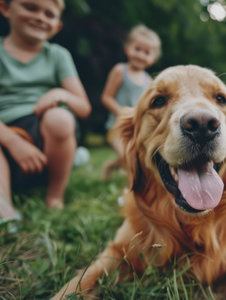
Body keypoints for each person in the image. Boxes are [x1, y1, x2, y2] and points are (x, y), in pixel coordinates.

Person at [0, 0, 91, 223]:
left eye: (49, 14)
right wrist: (13, 141)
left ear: (57, 26)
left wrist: (61, 94)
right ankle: (6, 211)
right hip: (4, 131)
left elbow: (83, 107)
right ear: (5, 8)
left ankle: (55, 197)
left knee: (60, 119)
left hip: (42, 131)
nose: (40, 17)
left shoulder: (58, 55)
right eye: (30, 7)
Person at [101, 24, 161, 180]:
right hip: (116, 126)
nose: (141, 55)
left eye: (146, 52)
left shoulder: (149, 81)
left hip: (135, 128)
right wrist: (121, 112)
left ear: (153, 58)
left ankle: (110, 166)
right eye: (137, 49)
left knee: (135, 158)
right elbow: (106, 97)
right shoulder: (120, 71)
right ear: (127, 48)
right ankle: (132, 188)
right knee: (128, 157)